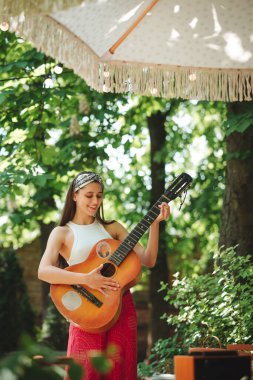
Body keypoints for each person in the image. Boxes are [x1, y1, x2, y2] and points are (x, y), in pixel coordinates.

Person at [38, 171, 170, 380]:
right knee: (85, 371)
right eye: (89, 195)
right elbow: (43, 271)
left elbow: (148, 259)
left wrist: (154, 224)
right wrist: (87, 279)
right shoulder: (62, 232)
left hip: (121, 306)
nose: (95, 201)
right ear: (74, 195)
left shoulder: (112, 228)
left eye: (99, 196)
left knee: (120, 370)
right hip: (86, 310)